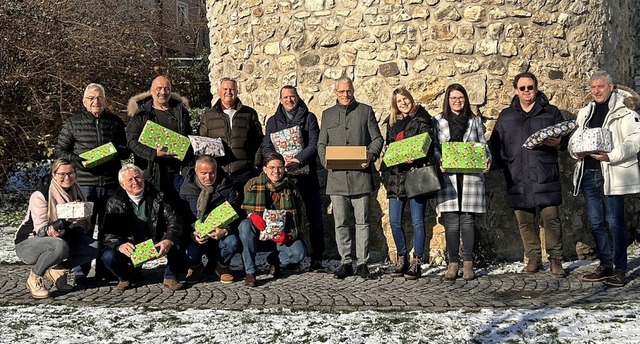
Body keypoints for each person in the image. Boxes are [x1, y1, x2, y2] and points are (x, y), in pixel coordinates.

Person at [489, 72, 566, 278]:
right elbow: (495, 145)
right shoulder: (506, 116)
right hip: (517, 175)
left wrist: (559, 143)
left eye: (530, 87)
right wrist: (503, 163)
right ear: (516, 90)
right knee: (524, 221)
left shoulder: (550, 112)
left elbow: (567, 139)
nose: (526, 91)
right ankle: (533, 258)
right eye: (522, 88)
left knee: (551, 218)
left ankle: (556, 259)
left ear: (536, 88)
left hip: (544, 174)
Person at [569, 71, 640, 287]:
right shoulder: (585, 112)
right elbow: (575, 138)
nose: (596, 91)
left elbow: (635, 140)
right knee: (597, 223)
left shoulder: (624, 111)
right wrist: (576, 152)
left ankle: (620, 269)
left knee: (615, 223)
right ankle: (606, 264)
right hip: (589, 173)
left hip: (612, 172)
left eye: (600, 86)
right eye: (593, 87)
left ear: (610, 87)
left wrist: (611, 156)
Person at [55, 83, 130, 281]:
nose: (95, 102)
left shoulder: (114, 122)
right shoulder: (73, 123)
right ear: (84, 102)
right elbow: (60, 151)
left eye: (99, 98)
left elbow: (126, 148)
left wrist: (116, 152)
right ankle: (80, 270)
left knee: (109, 228)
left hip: (111, 183)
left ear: (105, 100)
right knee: (83, 227)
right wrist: (77, 161)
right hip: (84, 184)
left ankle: (106, 270)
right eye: (91, 98)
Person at [318, 76, 384, 279]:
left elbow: (377, 139)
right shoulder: (328, 114)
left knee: (362, 222)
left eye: (348, 91)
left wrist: (370, 155)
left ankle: (362, 262)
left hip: (360, 177)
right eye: (341, 91)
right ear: (335, 92)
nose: (345, 95)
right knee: (340, 223)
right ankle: (345, 261)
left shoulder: (365, 111)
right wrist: (326, 161)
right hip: (336, 179)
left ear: (353, 90)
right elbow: (321, 144)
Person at [14, 158, 99, 299]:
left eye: (71, 173)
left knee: (94, 246)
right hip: (29, 242)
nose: (67, 177)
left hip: (61, 238)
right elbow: (41, 231)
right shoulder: (41, 195)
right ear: (54, 174)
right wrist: (64, 223)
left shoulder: (76, 192)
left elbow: (77, 228)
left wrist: (79, 219)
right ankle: (34, 278)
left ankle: (58, 270)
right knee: (59, 245)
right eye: (62, 174)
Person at [262, 85, 325, 271]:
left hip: (306, 175)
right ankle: (286, 256)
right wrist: (280, 162)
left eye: (292, 96)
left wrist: (298, 160)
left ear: (298, 97)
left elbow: (314, 145)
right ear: (280, 100)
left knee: (315, 217)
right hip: (282, 178)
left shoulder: (309, 118)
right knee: (284, 218)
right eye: (285, 97)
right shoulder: (273, 122)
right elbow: (267, 147)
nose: (289, 100)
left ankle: (317, 257)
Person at [434, 84, 491, 281]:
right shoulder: (439, 121)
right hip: (448, 176)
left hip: (470, 177)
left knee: (467, 221)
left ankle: (468, 263)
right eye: (453, 98)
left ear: (466, 99)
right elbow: (434, 147)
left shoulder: (474, 121)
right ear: (447, 101)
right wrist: (438, 159)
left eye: (460, 98)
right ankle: (453, 263)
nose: (457, 101)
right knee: (450, 222)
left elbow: (483, 144)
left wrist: (487, 159)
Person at [380, 87, 436, 280]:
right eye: (398, 101)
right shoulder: (392, 123)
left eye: (405, 99)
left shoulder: (423, 118)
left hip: (415, 174)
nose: (403, 103)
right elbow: (389, 146)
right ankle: (402, 258)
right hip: (396, 176)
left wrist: (416, 155)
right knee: (395, 221)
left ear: (410, 99)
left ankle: (417, 262)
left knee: (417, 221)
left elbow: (428, 143)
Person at [101, 164, 184, 291]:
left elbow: (174, 220)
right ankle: (125, 277)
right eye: (130, 180)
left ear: (143, 178)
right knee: (108, 256)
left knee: (175, 241)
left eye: (137, 177)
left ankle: (170, 276)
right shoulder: (114, 202)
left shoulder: (159, 196)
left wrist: (168, 239)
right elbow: (108, 233)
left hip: (156, 241)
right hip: (131, 246)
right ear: (122, 185)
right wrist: (120, 245)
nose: (135, 182)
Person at [238, 153, 307, 287]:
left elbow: (298, 217)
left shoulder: (291, 188)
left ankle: (275, 260)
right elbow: (244, 209)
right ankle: (250, 272)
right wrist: (251, 215)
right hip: (258, 233)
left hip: (279, 236)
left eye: (280, 167)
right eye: (272, 167)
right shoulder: (252, 184)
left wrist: (288, 235)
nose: (276, 171)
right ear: (265, 169)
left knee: (299, 253)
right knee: (244, 226)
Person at [126, 75, 193, 199]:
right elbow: (131, 142)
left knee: (180, 210)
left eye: (166, 89)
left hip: (177, 173)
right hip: (151, 172)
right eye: (159, 88)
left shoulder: (180, 112)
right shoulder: (141, 114)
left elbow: (188, 138)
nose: (163, 92)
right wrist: (153, 154)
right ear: (151, 91)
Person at [179, 155, 242, 284]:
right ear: (196, 171)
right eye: (204, 173)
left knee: (232, 242)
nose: (208, 177)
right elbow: (181, 217)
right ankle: (196, 266)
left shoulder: (227, 186)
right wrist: (191, 233)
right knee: (189, 249)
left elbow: (236, 213)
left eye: (212, 173)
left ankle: (222, 266)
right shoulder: (186, 190)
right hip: (197, 235)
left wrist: (225, 230)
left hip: (220, 233)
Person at [199, 78, 264, 196]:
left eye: (232, 89)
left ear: (237, 91)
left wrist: (256, 165)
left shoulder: (249, 113)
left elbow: (259, 142)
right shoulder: (208, 115)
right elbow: (202, 142)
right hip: (219, 173)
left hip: (243, 172)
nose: (228, 92)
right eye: (225, 89)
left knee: (244, 208)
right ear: (219, 91)